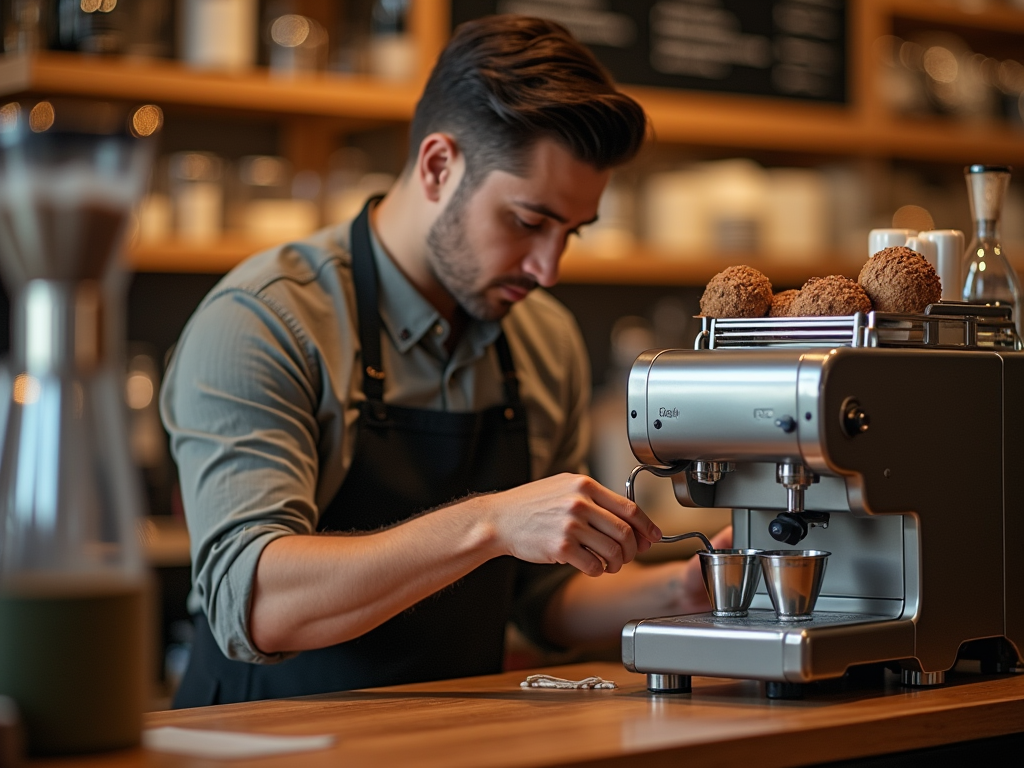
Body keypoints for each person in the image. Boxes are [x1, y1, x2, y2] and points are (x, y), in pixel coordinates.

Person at [161, 14, 730, 708]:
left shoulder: (543, 341)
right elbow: (252, 602)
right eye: (527, 221)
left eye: (571, 233)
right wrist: (490, 523)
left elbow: (541, 599)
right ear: (438, 166)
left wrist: (686, 590)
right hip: (263, 740)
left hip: (450, 739)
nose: (549, 268)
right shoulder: (265, 320)